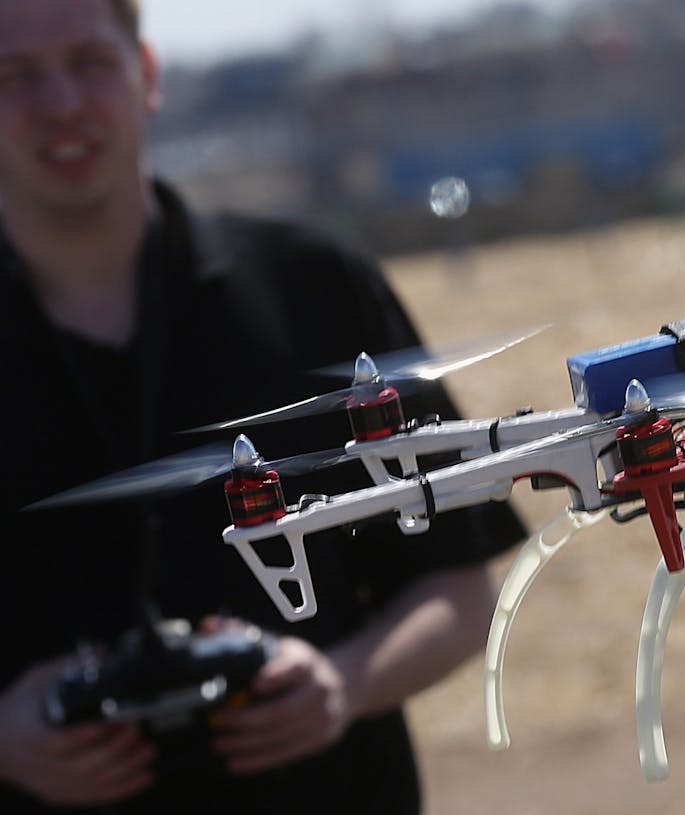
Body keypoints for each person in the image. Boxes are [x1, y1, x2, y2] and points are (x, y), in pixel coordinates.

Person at [0, 1, 526, 812]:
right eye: (17, 76)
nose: (62, 104)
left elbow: (458, 588)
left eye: (89, 64)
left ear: (145, 75)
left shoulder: (317, 287)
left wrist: (342, 685)